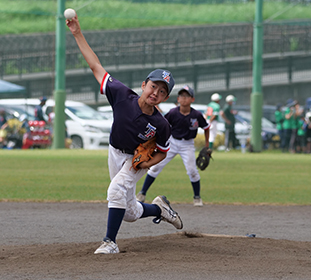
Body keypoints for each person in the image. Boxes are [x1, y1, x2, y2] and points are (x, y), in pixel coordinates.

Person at [66, 12, 183, 254]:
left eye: (162, 92)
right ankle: (160, 209)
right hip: (113, 152)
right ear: (144, 85)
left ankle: (110, 242)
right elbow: (95, 66)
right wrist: (77, 33)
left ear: (165, 97)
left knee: (114, 191)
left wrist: (146, 163)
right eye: (153, 86)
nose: (155, 93)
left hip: (134, 160)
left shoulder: (161, 124)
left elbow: (163, 152)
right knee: (129, 211)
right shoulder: (120, 94)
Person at [137, 85, 210, 207]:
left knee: (192, 171)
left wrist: (207, 146)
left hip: (187, 144)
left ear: (192, 99)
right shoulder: (173, 113)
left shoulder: (196, 114)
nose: (183, 98)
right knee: (155, 167)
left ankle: (197, 197)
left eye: (186, 96)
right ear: (178, 99)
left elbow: (206, 128)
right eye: (181, 95)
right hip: (172, 142)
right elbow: (162, 125)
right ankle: (142, 193)